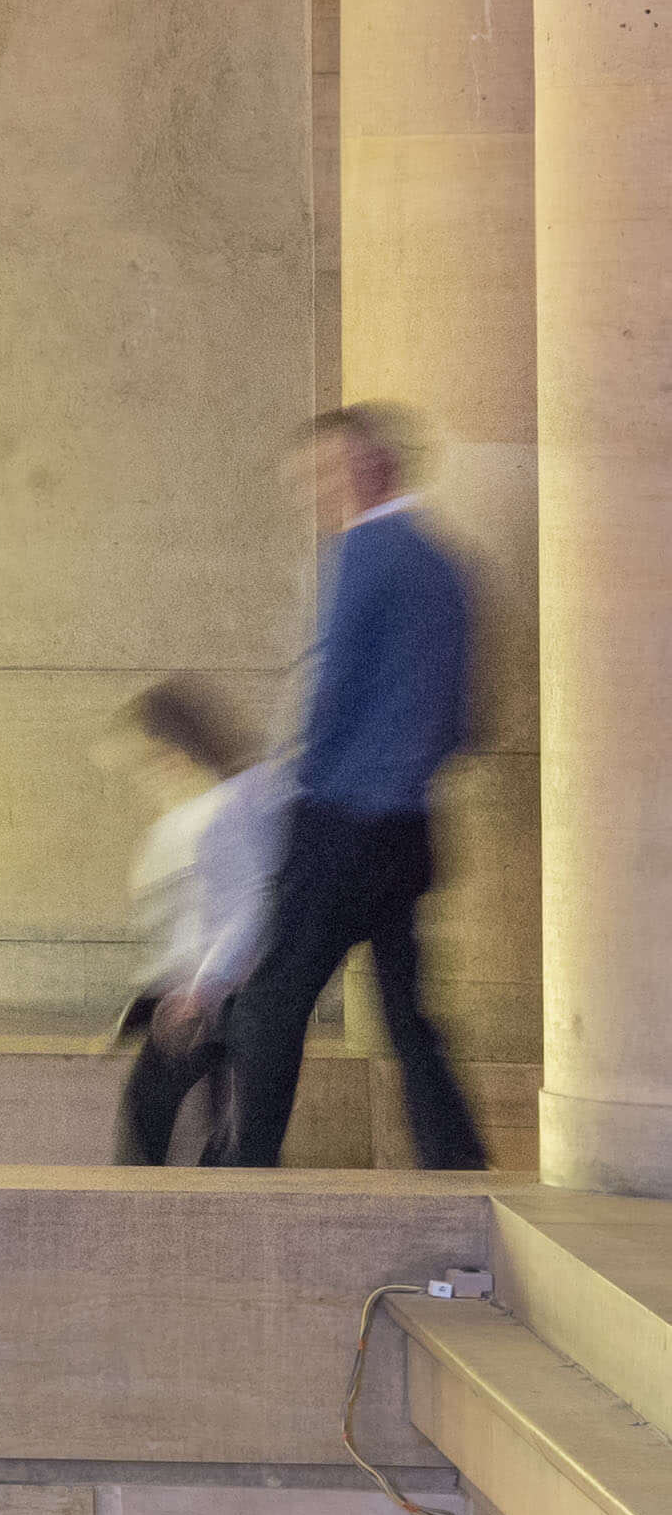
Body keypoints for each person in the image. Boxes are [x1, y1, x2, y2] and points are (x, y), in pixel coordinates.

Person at [219, 403, 492, 1173]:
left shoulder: (365, 552)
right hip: (410, 828)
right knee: (407, 1017)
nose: (315, 490)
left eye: (323, 471)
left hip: (340, 822)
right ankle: (455, 1163)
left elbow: (328, 690)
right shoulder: (447, 562)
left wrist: (294, 790)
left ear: (370, 467)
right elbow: (465, 712)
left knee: (273, 1001)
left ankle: (245, 1167)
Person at [111, 677, 283, 1166]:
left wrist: (202, 987)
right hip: (197, 999)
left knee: (158, 1120)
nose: (146, 773)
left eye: (148, 756)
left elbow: (250, 905)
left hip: (213, 1001)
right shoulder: (192, 812)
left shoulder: (228, 807)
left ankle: (148, 1222)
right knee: (202, 1129)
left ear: (175, 746)